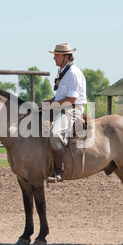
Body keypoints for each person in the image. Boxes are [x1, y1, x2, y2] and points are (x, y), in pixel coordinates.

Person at [43, 43, 87, 183]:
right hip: (61, 108)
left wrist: (51, 105)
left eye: (57, 56)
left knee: (54, 134)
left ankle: (59, 171)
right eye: (54, 55)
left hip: (72, 110)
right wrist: (47, 103)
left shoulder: (73, 73)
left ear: (66, 57)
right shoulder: (63, 72)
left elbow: (71, 99)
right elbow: (60, 97)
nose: (54, 58)